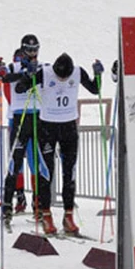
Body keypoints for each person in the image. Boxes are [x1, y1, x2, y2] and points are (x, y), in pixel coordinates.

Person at [17, 52, 102, 235]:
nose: (62, 79)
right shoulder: (46, 73)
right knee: (47, 172)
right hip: (47, 127)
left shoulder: (78, 72)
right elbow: (20, 88)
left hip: (69, 127)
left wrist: (98, 74)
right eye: (59, 76)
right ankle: (46, 215)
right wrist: (29, 75)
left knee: (69, 173)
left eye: (65, 77)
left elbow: (95, 89)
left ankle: (68, 215)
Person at [0, 35, 44, 225]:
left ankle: (39, 206)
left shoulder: (43, 66)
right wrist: (24, 73)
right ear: (22, 50)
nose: (32, 54)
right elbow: (5, 77)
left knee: (38, 165)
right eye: (29, 50)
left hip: (38, 117)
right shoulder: (14, 66)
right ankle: (8, 206)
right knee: (14, 164)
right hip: (18, 117)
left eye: (35, 50)